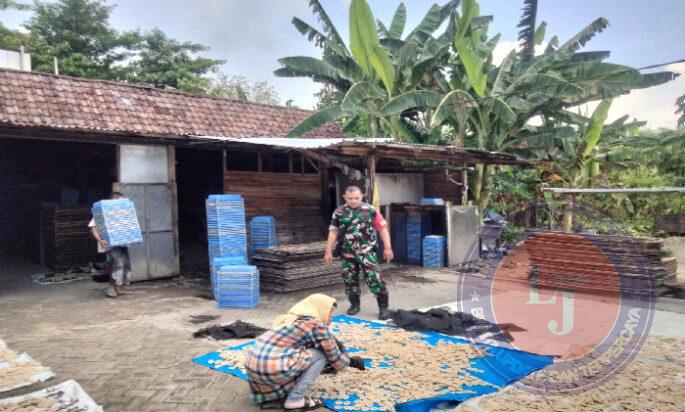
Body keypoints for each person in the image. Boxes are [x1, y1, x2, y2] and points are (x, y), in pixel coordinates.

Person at [244, 294, 365, 411]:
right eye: (330, 311)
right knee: (320, 355)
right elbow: (334, 356)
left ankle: (271, 395)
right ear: (320, 309)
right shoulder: (316, 326)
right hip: (271, 369)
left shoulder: (291, 319)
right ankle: (295, 399)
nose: (332, 316)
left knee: (296, 354)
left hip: (252, 367)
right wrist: (352, 361)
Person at [323, 186, 394, 320]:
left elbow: (383, 229)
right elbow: (333, 233)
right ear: (345, 197)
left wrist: (388, 248)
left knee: (375, 279)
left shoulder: (371, 210)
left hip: (367, 253)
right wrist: (328, 252)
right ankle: (355, 305)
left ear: (361, 196)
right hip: (347, 254)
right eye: (350, 198)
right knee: (349, 280)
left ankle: (383, 309)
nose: (354, 201)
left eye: (356, 198)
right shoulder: (339, 212)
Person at [89, 191, 131, 298]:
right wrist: (100, 240)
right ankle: (113, 287)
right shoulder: (101, 212)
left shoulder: (122, 212)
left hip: (122, 243)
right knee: (118, 263)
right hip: (110, 244)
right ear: (113, 200)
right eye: (120, 200)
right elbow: (93, 229)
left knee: (125, 264)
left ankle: (119, 288)